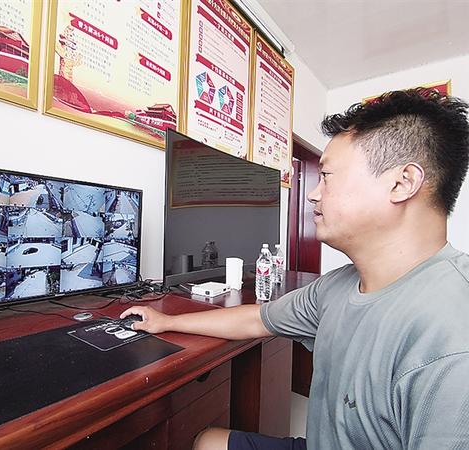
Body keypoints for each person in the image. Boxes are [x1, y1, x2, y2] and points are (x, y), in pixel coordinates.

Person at [121, 88, 469, 450]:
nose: (314, 194)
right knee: (208, 442)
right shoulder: (335, 287)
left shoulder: (454, 338)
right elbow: (257, 319)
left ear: (401, 183)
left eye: (328, 175)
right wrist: (167, 321)